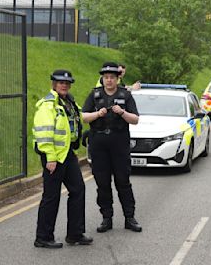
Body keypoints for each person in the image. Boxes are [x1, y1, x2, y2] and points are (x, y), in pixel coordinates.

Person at [33, 70, 92, 248]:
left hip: (67, 155)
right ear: (54, 84)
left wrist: (99, 114)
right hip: (53, 157)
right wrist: (50, 158)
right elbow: (43, 134)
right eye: (60, 83)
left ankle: (75, 234)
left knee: (78, 190)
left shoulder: (69, 102)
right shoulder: (48, 105)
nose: (64, 85)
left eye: (67, 83)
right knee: (51, 197)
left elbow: (81, 117)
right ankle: (43, 237)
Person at [82, 62, 142, 233]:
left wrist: (122, 112)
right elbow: (84, 117)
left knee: (123, 181)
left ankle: (129, 218)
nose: (109, 80)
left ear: (117, 79)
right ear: (102, 79)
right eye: (106, 77)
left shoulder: (126, 95)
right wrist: (97, 114)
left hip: (119, 142)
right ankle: (106, 218)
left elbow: (135, 119)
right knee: (102, 182)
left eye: (112, 78)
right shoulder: (94, 95)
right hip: (99, 142)